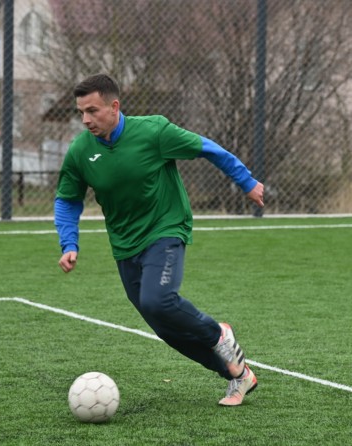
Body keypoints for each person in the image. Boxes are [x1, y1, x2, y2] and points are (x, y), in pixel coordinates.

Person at [54, 74, 264, 406]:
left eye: (92, 111)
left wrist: (246, 181)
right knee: (165, 328)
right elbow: (67, 200)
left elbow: (207, 148)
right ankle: (238, 376)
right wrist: (69, 244)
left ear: (114, 106)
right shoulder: (81, 151)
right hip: (125, 244)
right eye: (81, 112)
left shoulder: (154, 131)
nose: (85, 119)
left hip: (166, 228)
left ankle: (219, 334)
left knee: (158, 301)